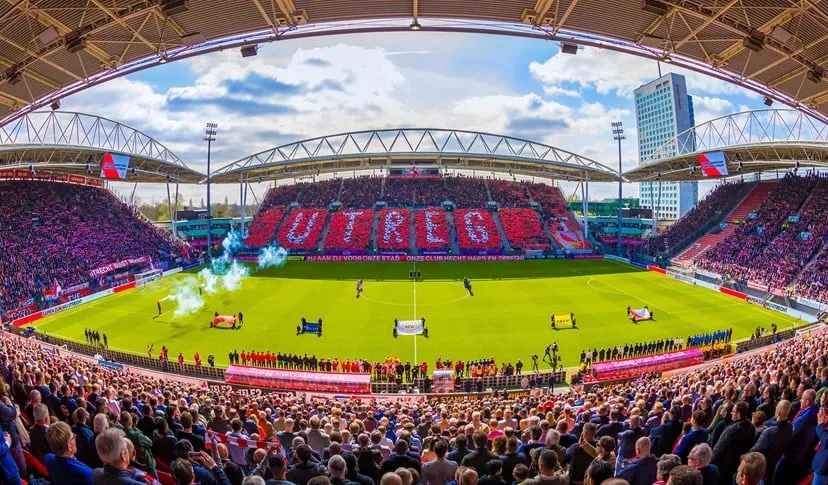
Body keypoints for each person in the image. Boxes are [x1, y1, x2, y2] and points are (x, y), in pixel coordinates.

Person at [749, 400, 791, 485]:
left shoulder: (769, 432)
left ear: (778, 413)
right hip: (775, 461)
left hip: (764, 465)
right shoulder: (789, 427)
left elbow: (756, 449)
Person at [45, 421, 94, 485]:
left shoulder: (48, 459)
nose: (75, 436)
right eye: (73, 437)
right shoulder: (87, 474)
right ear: (69, 447)